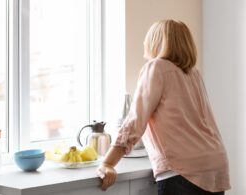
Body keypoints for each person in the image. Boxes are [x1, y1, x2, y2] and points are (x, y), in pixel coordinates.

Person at [97, 20, 231, 195]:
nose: (144, 42)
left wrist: (108, 163)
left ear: (157, 41)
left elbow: (135, 121)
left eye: (148, 38)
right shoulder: (193, 73)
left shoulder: (156, 67)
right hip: (214, 163)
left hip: (183, 169)